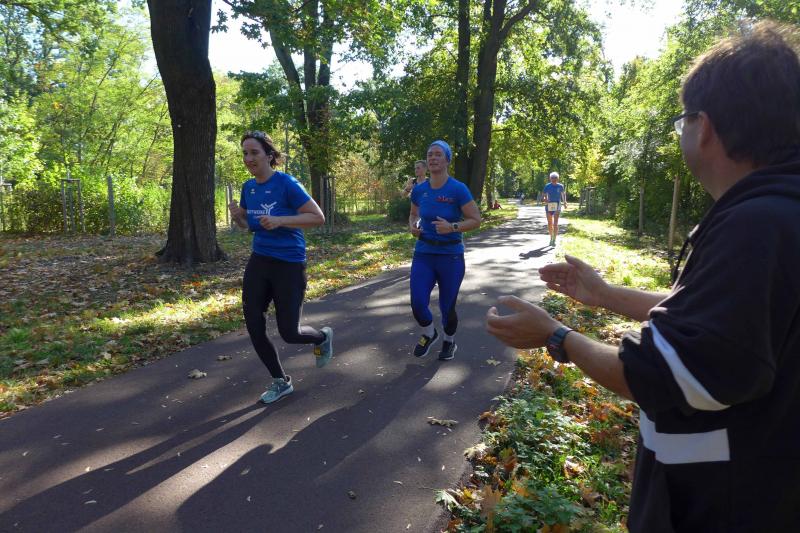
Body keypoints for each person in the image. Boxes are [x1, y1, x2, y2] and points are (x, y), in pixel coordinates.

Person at [486, 22, 800, 532]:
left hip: (718, 505)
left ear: (704, 127)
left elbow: (664, 374)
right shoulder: (777, 213)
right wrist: (605, 294)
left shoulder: (757, 225)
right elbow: (717, 321)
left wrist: (556, 336)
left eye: (682, 121)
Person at [229, 131, 333, 404]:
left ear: (269, 155)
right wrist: (239, 218)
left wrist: (280, 220)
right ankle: (280, 381)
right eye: (245, 153)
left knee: (290, 332)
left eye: (254, 152)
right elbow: (250, 226)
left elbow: (317, 217)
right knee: (254, 323)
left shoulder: (287, 183)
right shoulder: (248, 188)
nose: (249, 158)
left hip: (289, 263)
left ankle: (321, 337)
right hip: (260, 260)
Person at [408, 140, 481, 360]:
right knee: (417, 303)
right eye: (430, 154)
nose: (432, 158)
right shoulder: (419, 190)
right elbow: (414, 214)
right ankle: (430, 333)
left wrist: (452, 227)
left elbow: (475, 219)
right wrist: (413, 226)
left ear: (447, 160)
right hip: (424, 253)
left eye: (438, 154)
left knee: (447, 307)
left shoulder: (458, 189)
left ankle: (449, 341)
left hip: (451, 256)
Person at [541, 171, 566, 246]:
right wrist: (545, 199)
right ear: (550, 178)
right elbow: (543, 196)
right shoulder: (547, 186)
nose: (554, 179)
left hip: (557, 205)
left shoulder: (560, 186)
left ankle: (554, 239)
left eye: (555, 178)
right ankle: (551, 237)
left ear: (558, 179)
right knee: (549, 223)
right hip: (549, 205)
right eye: (552, 178)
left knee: (555, 223)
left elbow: (563, 194)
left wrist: (565, 202)